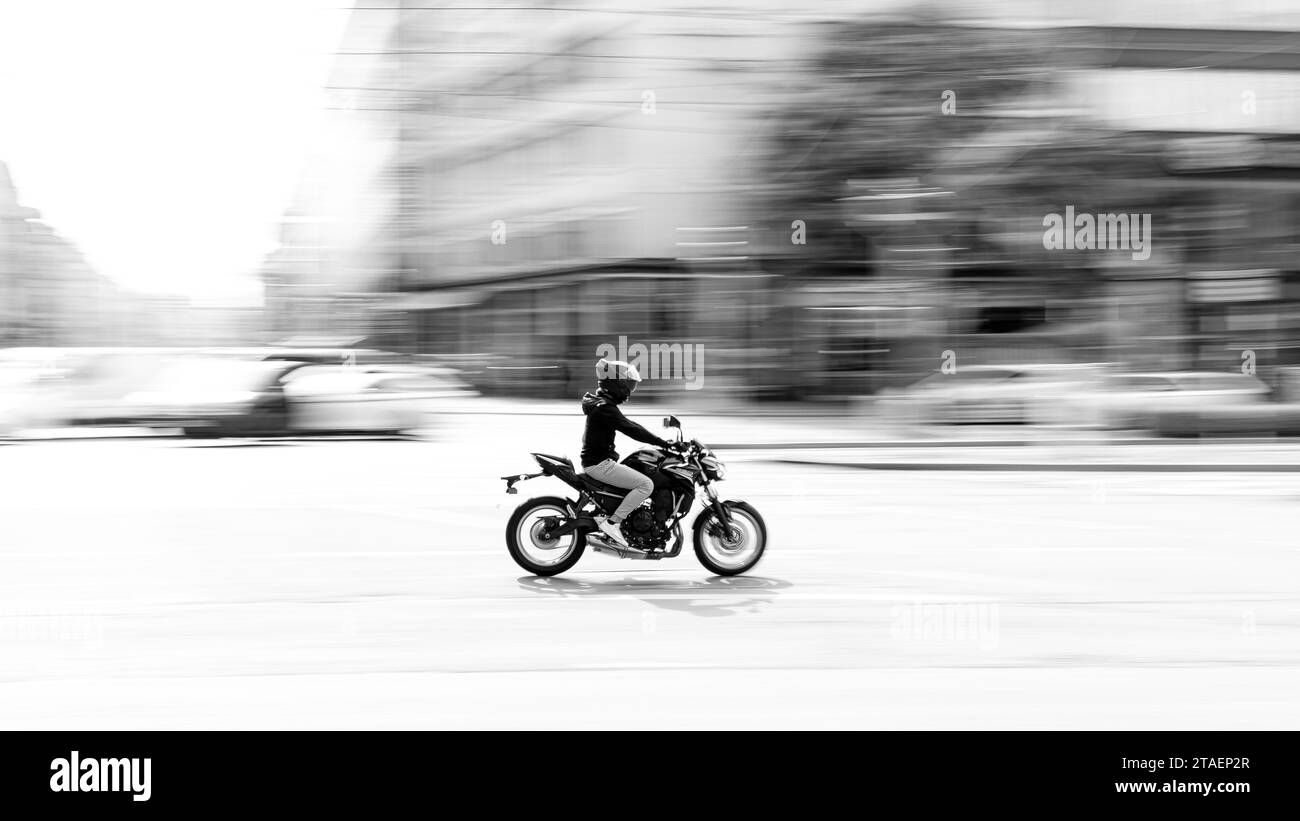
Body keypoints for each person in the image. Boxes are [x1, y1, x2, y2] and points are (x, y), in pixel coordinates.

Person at [580, 358, 673, 547]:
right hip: (599, 464)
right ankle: (612, 524)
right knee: (646, 485)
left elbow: (631, 425)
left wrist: (661, 441)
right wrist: (663, 443)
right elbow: (631, 429)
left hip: (597, 462)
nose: (630, 390)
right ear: (618, 383)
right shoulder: (604, 408)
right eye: (629, 385)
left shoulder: (604, 405)